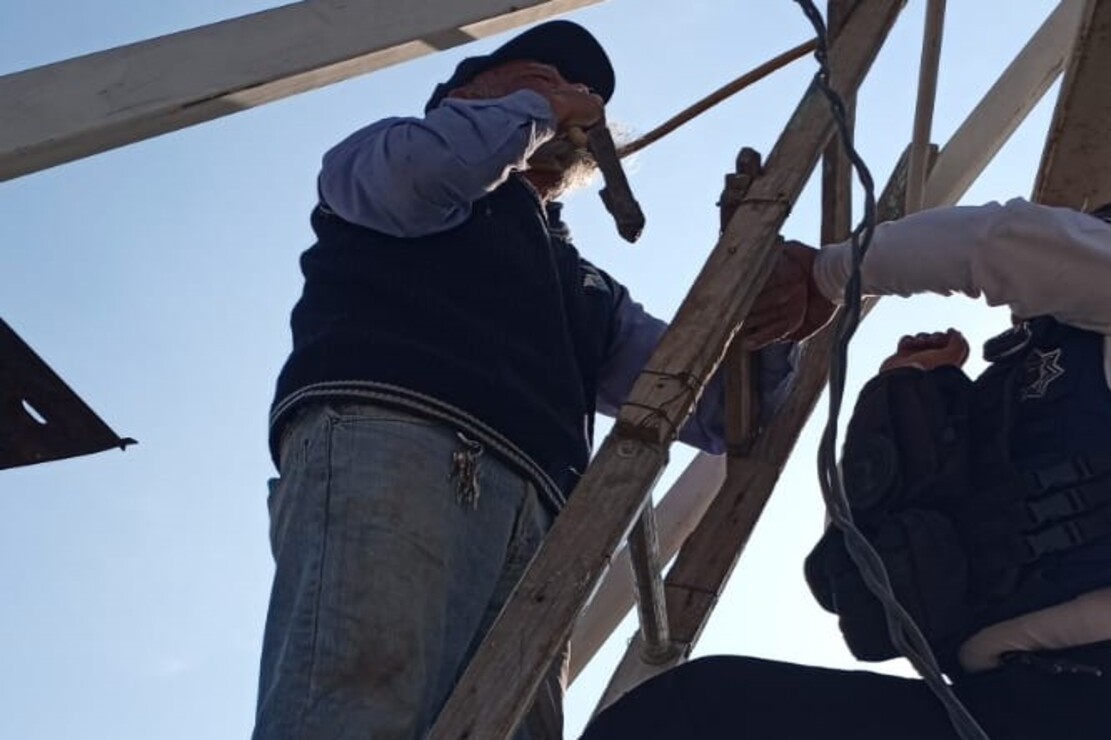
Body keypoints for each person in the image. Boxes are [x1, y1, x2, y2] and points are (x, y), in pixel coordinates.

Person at [252, 20, 797, 740]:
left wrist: (756, 306)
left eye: (579, 91)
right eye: (541, 77)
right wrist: (539, 112)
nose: (572, 95)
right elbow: (427, 174)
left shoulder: (582, 284)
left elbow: (714, 411)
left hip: (541, 515)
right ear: (465, 96)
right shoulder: (385, 159)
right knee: (360, 700)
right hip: (395, 440)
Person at [584, 198, 1111, 739]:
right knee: (695, 719)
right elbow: (864, 584)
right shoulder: (1024, 404)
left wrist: (827, 273)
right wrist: (902, 403)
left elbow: (1003, 242)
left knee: (697, 720)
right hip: (1006, 705)